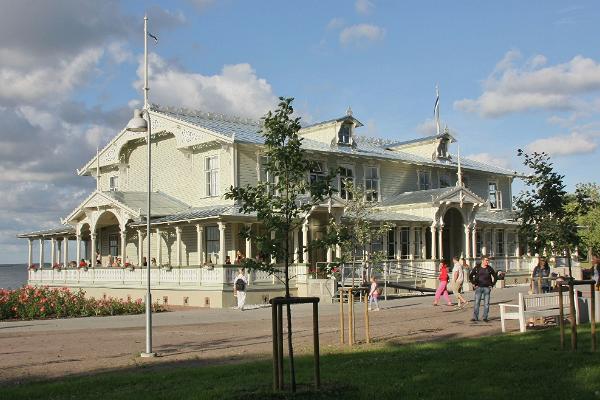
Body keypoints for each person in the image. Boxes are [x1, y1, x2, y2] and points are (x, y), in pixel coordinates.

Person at [469, 257, 498, 322]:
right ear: (482, 261)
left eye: (488, 260)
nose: (487, 262)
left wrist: (492, 284)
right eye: (486, 260)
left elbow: (495, 277)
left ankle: (485, 317)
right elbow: (470, 276)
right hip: (478, 287)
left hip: (487, 288)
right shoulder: (477, 268)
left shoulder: (489, 268)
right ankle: (475, 317)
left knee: (486, 304)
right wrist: (473, 283)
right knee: (477, 303)